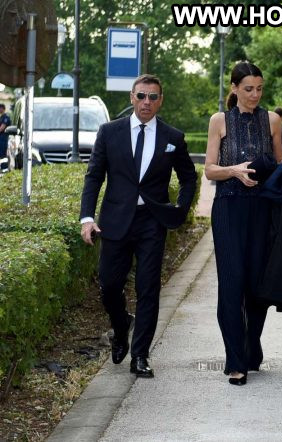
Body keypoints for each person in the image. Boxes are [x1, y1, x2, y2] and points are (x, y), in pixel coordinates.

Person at [80, 74, 198, 378]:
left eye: (153, 97)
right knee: (109, 285)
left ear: (160, 101)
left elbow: (189, 177)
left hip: (151, 222)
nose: (147, 102)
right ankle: (121, 328)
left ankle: (140, 355)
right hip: (115, 221)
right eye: (142, 96)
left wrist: (180, 208)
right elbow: (94, 176)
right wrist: (87, 218)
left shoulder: (173, 137)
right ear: (132, 97)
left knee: (148, 288)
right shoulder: (109, 132)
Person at [204, 61, 282, 386]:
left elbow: (280, 164)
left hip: (263, 210)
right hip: (228, 208)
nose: (255, 95)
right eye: (248, 89)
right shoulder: (219, 121)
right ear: (235, 88)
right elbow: (209, 169)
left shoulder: (273, 120)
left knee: (257, 285)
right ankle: (235, 360)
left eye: (259, 89)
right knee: (231, 283)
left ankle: (252, 346)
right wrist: (234, 171)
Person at [0, 103, 11, 173]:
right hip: (1, 138)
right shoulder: (1, 117)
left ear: (3, 109)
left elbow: (2, 128)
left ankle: (4, 168)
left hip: (4, 138)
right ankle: (2, 168)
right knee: (1, 154)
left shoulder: (6, 117)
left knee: (3, 154)